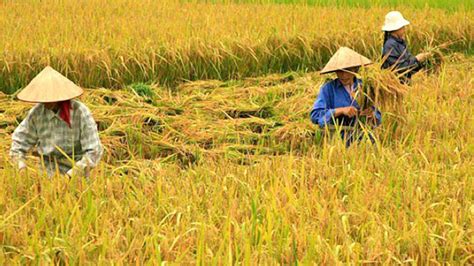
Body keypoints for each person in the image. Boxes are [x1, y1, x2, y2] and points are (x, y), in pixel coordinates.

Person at [10, 66, 103, 178]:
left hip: (76, 173)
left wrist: (70, 176)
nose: (45, 101)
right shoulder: (37, 113)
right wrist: (21, 168)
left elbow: (93, 151)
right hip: (46, 173)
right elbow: (19, 143)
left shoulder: (80, 112)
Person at [310, 47, 382, 146]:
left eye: (348, 70)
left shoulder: (365, 87)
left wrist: (372, 114)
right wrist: (340, 111)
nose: (344, 75)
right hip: (338, 141)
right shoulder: (328, 89)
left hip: (365, 140)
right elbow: (315, 116)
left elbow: (378, 114)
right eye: (340, 71)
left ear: (355, 69)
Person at [381, 11, 431, 82]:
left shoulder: (400, 43)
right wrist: (417, 59)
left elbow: (409, 68)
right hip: (395, 85)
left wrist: (421, 62)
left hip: (404, 84)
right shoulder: (390, 45)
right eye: (402, 27)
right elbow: (400, 68)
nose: (404, 29)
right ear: (396, 28)